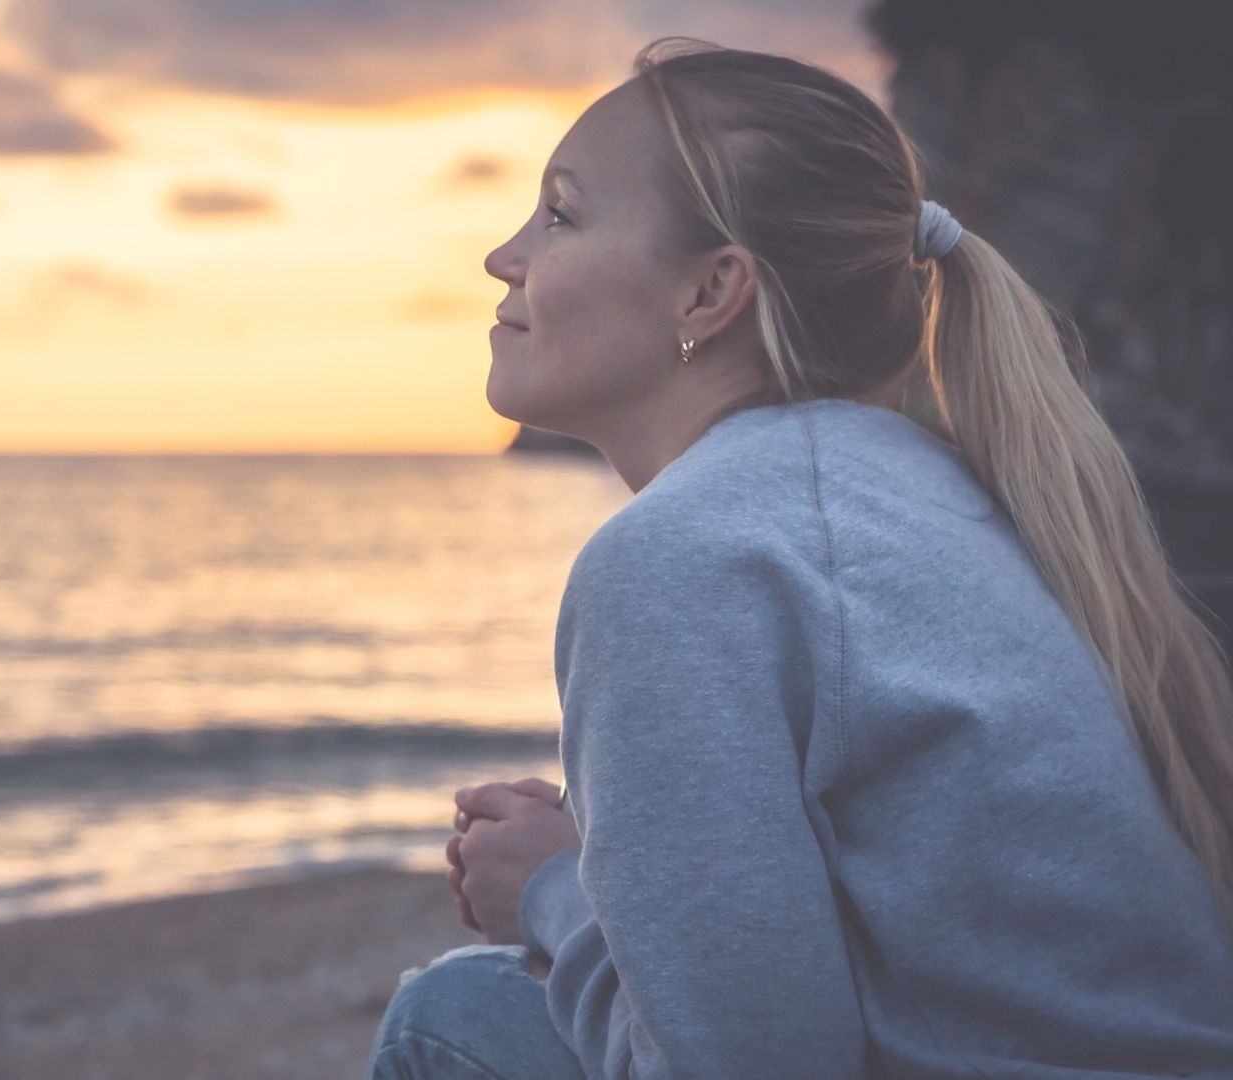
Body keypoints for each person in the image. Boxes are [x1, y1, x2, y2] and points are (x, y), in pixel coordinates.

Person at [366, 36, 1233, 1080]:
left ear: (709, 293)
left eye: (561, 214)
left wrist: (555, 893)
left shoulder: (684, 558)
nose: (505, 257)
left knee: (448, 1014)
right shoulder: (921, 489)